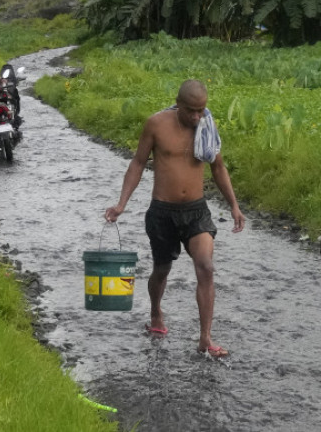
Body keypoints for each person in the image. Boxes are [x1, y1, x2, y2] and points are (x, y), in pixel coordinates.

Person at [105, 79, 245, 358]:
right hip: (162, 213)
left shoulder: (206, 125)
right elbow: (137, 163)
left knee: (205, 266)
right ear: (178, 104)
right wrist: (122, 203)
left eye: (201, 110)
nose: (196, 116)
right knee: (162, 269)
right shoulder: (156, 125)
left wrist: (234, 206)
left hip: (196, 211)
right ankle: (156, 312)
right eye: (191, 110)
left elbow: (218, 167)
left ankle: (205, 338)